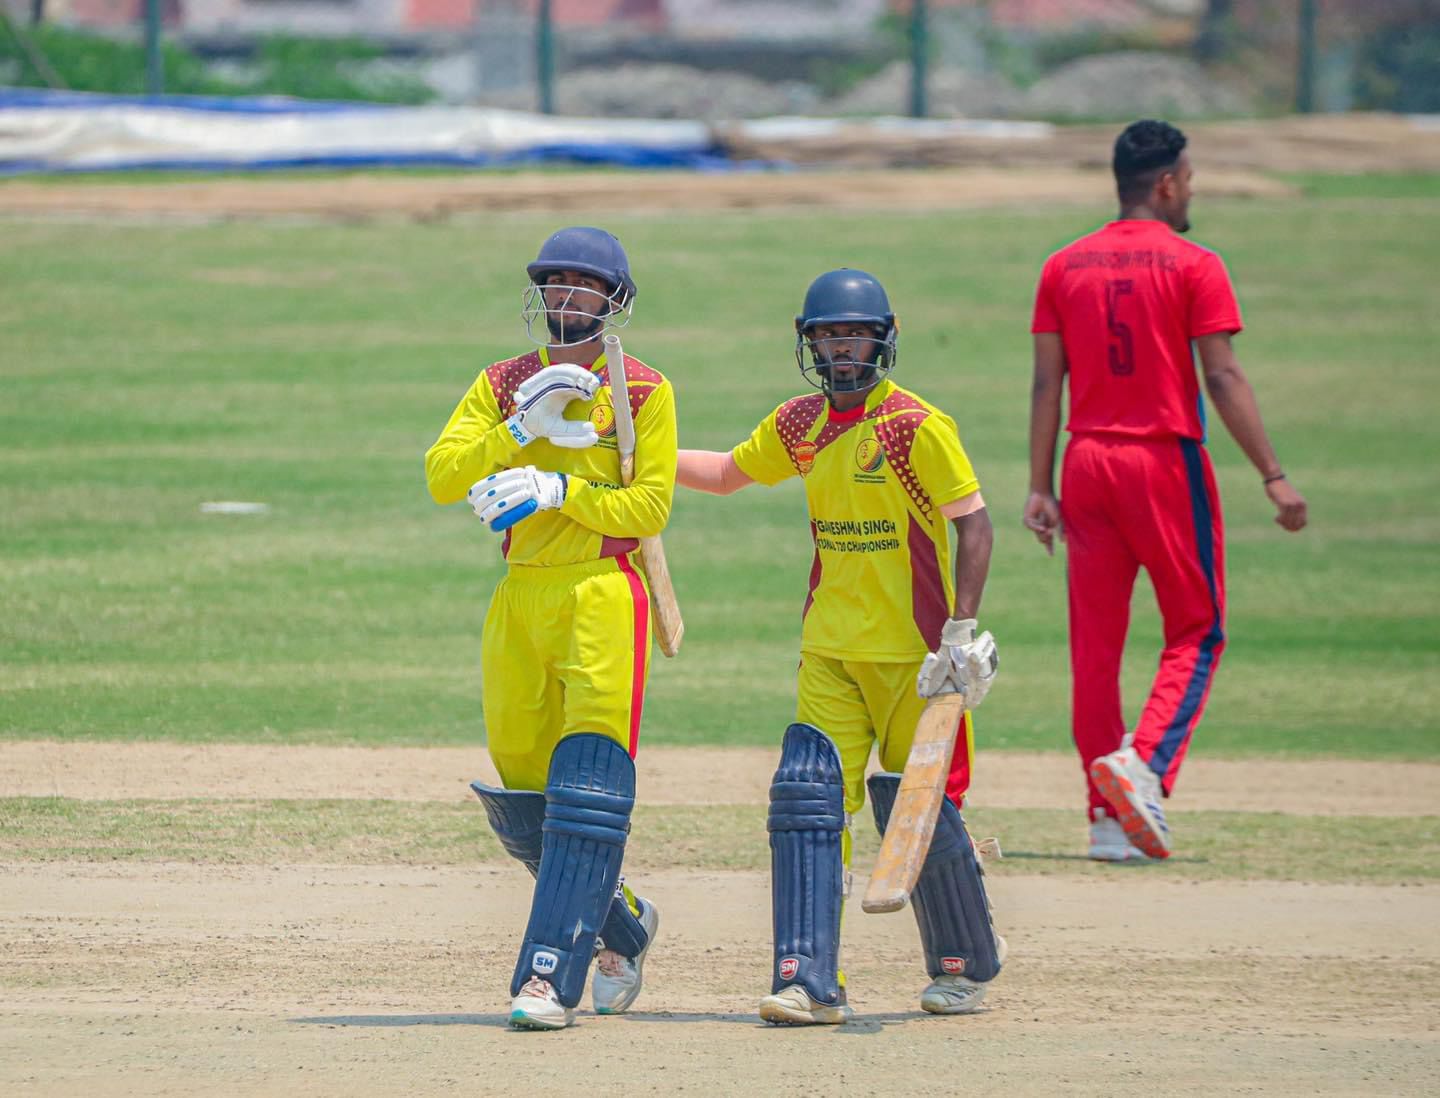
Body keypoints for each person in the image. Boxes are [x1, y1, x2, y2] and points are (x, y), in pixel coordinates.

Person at [677, 268, 1004, 1025]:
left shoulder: (916, 426)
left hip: (917, 659)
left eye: (855, 335)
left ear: (883, 339)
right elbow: (724, 474)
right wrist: (628, 457)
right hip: (829, 648)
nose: (842, 349)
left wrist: (960, 630)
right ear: (809, 344)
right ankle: (810, 981)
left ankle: (963, 963)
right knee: (811, 803)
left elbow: (975, 524)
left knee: (923, 809)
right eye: (827, 337)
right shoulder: (799, 423)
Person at [1024, 120, 1308, 863]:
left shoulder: (1063, 265)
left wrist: (1039, 486)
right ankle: (1144, 764)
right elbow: (1223, 376)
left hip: (1085, 461)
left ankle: (1106, 822)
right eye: (1190, 181)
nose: (1191, 193)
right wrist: (1272, 474)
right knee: (1196, 629)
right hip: (1162, 461)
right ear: (1168, 182)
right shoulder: (1195, 264)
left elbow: (1047, 385)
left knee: (1095, 649)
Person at [424, 226, 676, 1030]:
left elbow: (649, 509)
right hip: (520, 597)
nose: (567, 294)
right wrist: (516, 432)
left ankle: (548, 979)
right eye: (555, 281)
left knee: (587, 785)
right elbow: (442, 477)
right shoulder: (502, 383)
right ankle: (624, 925)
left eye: (584, 283)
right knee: (525, 795)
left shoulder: (642, 390)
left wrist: (558, 489)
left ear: (613, 298)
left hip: (603, 592)